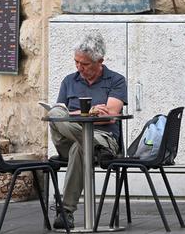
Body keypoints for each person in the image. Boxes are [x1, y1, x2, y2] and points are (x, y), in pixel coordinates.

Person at [48, 33, 127, 229]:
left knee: (80, 147)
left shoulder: (116, 80)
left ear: (99, 61)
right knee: (56, 112)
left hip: (103, 138)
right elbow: (61, 114)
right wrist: (87, 113)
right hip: (68, 140)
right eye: (76, 62)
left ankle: (65, 212)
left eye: (84, 64)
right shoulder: (69, 81)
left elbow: (111, 115)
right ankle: (93, 146)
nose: (79, 67)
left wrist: (76, 117)